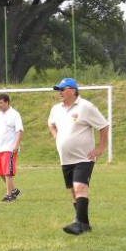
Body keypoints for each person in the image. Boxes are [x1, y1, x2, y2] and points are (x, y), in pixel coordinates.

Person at [48, 78, 109, 235]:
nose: (59, 92)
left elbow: (103, 125)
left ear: (73, 90)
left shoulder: (86, 107)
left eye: (63, 89)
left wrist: (100, 148)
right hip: (66, 158)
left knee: (79, 187)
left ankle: (78, 223)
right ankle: (85, 224)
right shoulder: (56, 109)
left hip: (84, 157)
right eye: (58, 90)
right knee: (73, 191)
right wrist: (56, 136)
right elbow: (51, 123)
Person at [0, 93, 24, 202]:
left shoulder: (15, 114)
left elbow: (19, 130)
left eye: (1, 103)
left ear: (7, 102)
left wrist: (16, 145)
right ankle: (14, 190)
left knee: (8, 172)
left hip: (9, 148)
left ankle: (9, 195)